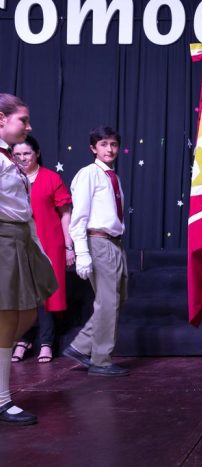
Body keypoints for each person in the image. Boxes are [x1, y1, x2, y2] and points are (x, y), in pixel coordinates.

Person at [0, 93, 57, 425]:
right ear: (1, 119)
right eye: (23, 119)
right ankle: (2, 400)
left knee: (26, 313)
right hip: (4, 238)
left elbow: (23, 208)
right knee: (8, 317)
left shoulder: (8, 158)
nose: (29, 126)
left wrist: (37, 247)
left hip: (21, 239)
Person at [62, 125, 129, 377]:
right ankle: (100, 359)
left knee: (117, 298)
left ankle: (81, 346)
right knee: (107, 301)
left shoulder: (113, 177)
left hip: (115, 242)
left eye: (113, 144)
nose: (109, 149)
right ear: (93, 148)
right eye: (103, 144)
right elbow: (79, 217)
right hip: (98, 241)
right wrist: (82, 252)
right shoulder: (88, 174)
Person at [11, 135, 74, 363]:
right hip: (19, 244)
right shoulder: (8, 179)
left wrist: (69, 246)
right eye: (17, 154)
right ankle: (24, 339)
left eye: (27, 153)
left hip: (49, 243)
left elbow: (66, 214)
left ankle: (46, 342)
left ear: (36, 153)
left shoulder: (51, 178)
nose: (22, 158)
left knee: (45, 294)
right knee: (22, 294)